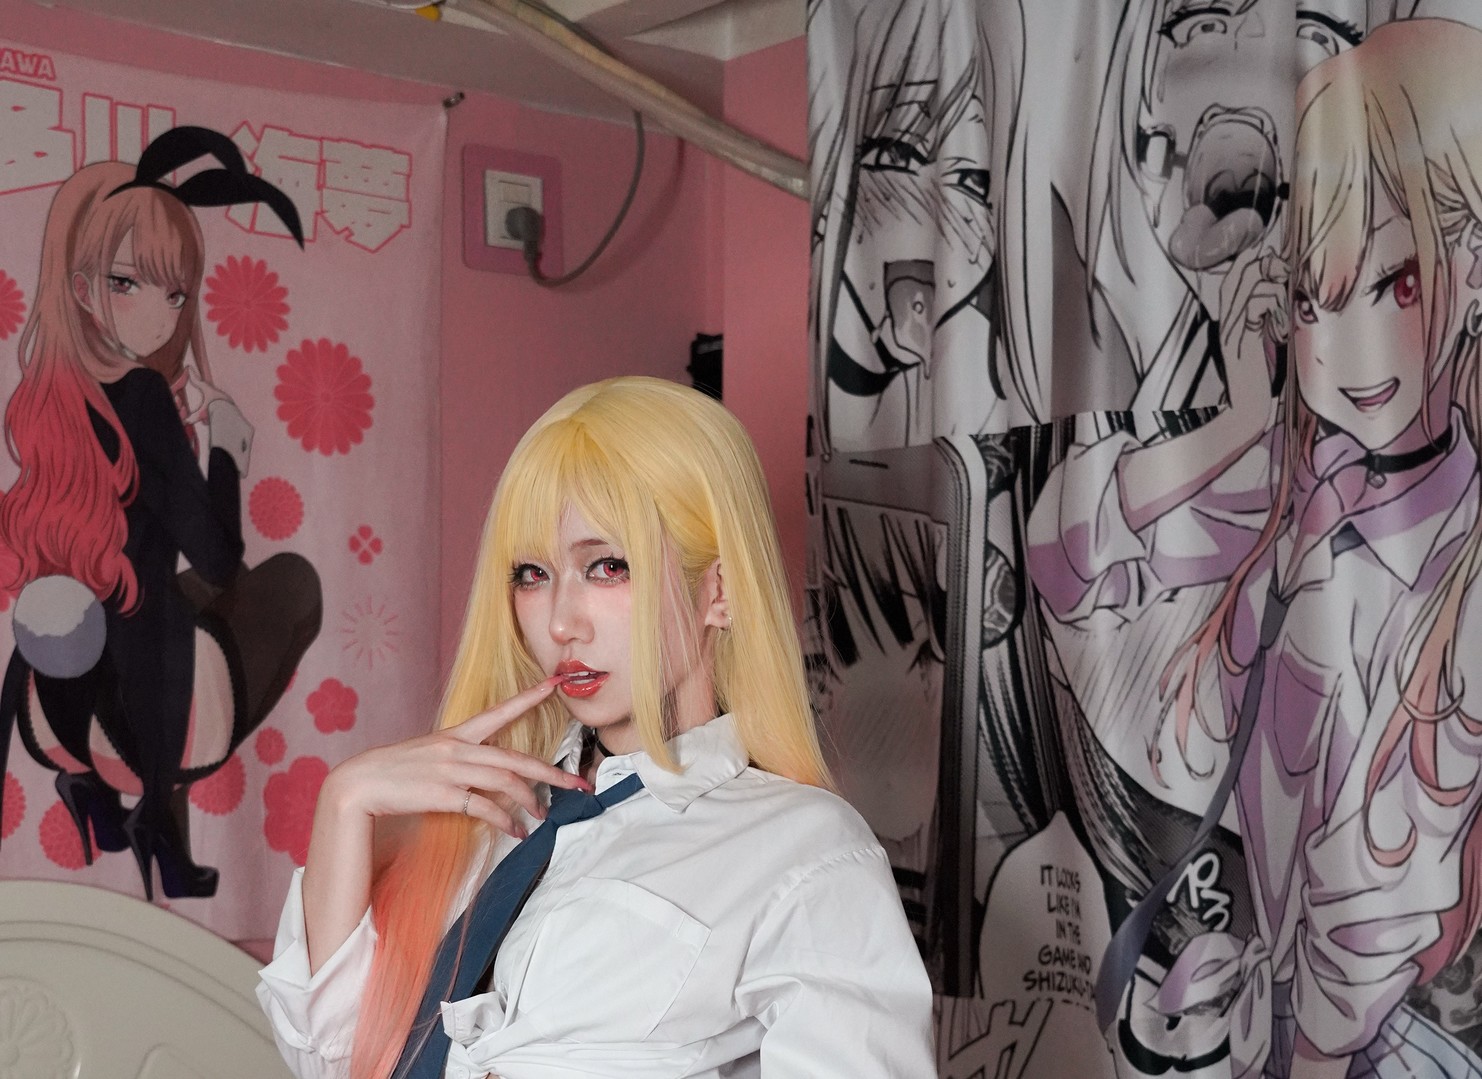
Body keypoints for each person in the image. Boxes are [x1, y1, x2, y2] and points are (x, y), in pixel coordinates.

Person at [1029, 19, 1482, 1078]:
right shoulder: (1304, 484)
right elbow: (1065, 553)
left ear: (1470, 263)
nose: (1349, 349)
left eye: (1396, 283)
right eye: (1317, 299)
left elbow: (1378, 921)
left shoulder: (1451, 558)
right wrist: (1239, 419)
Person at [256, 376, 936, 1078]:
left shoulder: (805, 850)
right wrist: (344, 802)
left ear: (721, 591)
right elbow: (332, 1061)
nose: (560, 623)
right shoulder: (482, 821)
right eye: (531, 573)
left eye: (607, 567)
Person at [0, 126, 322, 900]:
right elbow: (217, 556)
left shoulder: (50, 397)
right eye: (128, 283)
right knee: (292, 583)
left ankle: (113, 807)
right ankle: (154, 811)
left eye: (174, 294)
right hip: (148, 710)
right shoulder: (144, 395)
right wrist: (225, 451)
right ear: (83, 289)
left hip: (53, 705)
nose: (159, 316)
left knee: (168, 593)